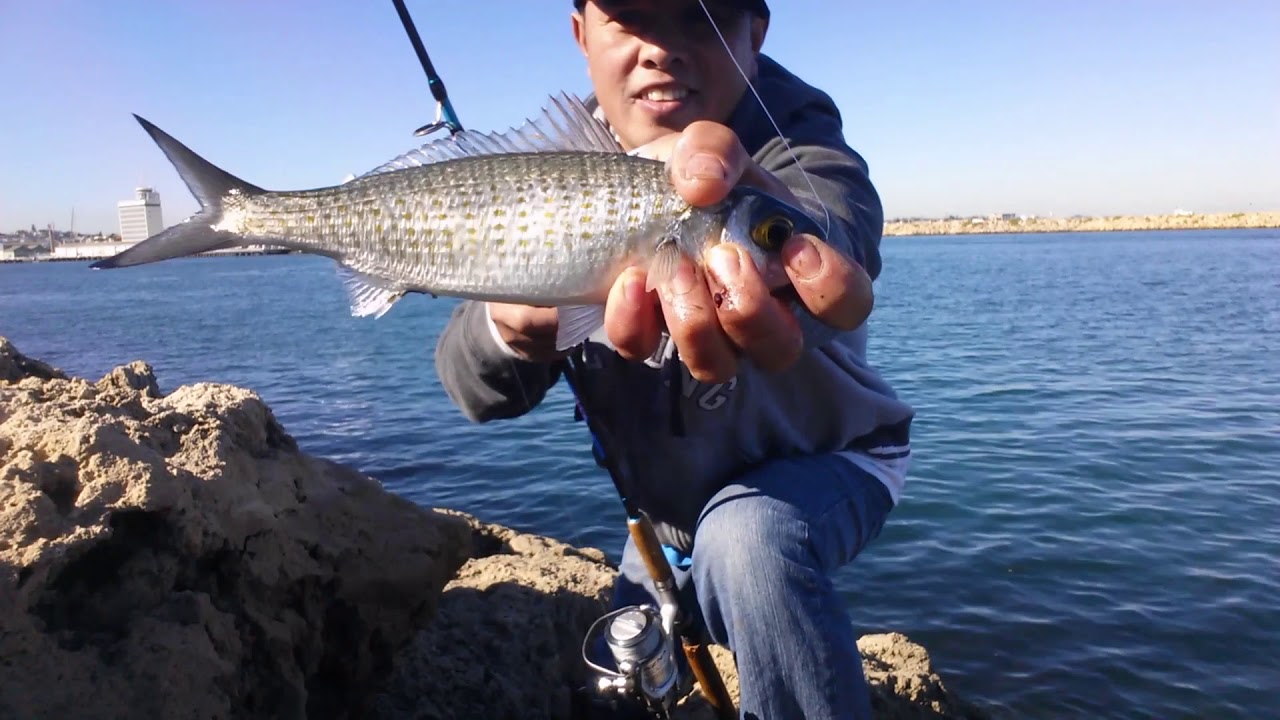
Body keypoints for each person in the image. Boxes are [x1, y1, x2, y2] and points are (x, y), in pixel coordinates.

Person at [434, 1, 915, 717]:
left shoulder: (792, 131)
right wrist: (509, 328)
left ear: (755, 33)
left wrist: (807, 256)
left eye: (698, 16)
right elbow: (469, 384)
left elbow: (840, 222)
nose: (661, 49)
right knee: (617, 683)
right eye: (631, 17)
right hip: (665, 523)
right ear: (581, 34)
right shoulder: (545, 175)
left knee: (746, 541)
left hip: (837, 462)